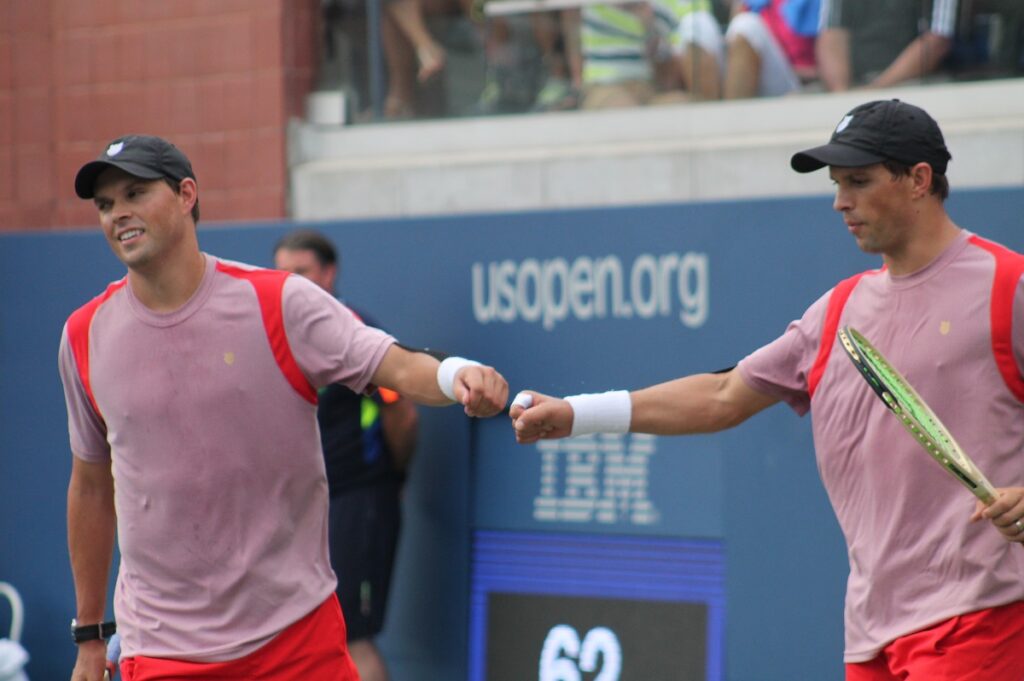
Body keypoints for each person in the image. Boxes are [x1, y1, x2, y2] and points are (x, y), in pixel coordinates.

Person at [510, 99, 1024, 680]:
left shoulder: (1010, 287)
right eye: (835, 184)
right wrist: (577, 415)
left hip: (983, 618)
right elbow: (724, 395)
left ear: (919, 181)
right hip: (872, 636)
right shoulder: (836, 312)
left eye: (858, 181)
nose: (840, 202)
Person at [61, 134, 508, 681]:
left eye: (134, 193)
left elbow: (395, 365)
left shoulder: (279, 302)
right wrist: (89, 635)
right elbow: (89, 485)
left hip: (296, 641)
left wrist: (455, 373)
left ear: (185, 195)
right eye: (106, 204)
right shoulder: (84, 335)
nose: (118, 214)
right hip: (160, 652)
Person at [273, 229, 417, 681]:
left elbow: (403, 415)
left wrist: (386, 482)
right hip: (304, 509)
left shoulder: (357, 332)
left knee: (352, 638)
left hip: (358, 502)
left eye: (302, 271)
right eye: (281, 272)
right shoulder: (275, 339)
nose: (290, 282)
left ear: (329, 274)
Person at [578, 0, 725, 109]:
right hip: (604, 85)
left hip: (647, 88)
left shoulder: (659, 7)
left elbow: (667, 67)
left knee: (687, 106)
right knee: (625, 113)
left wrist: (648, 27)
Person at [816, 0, 960, 92]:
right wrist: (842, 94)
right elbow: (831, 35)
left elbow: (937, 40)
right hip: (856, 87)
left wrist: (875, 91)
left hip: (917, 86)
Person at [723, 0, 820, 99]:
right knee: (744, 25)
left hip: (803, 84)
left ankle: (735, 111)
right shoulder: (749, 4)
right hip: (760, 79)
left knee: (747, 26)